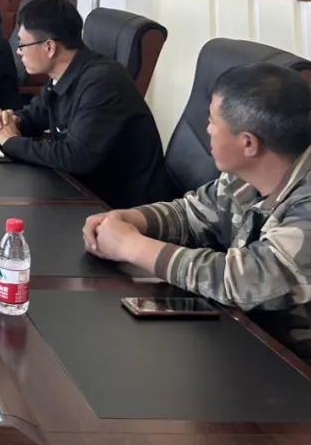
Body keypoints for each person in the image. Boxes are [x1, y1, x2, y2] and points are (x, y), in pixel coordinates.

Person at [83, 64, 311, 361]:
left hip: (293, 367)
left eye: (213, 121)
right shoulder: (244, 175)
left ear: (248, 143)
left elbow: (244, 281)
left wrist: (131, 245)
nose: (207, 130)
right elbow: (191, 214)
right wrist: (127, 219)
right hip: (245, 338)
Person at [0, 0, 174, 208]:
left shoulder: (103, 83)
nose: (19, 52)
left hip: (124, 207)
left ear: (49, 47)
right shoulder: (63, 74)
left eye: (22, 44)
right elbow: (35, 115)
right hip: (83, 189)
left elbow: (76, 156)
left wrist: (11, 141)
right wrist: (9, 121)